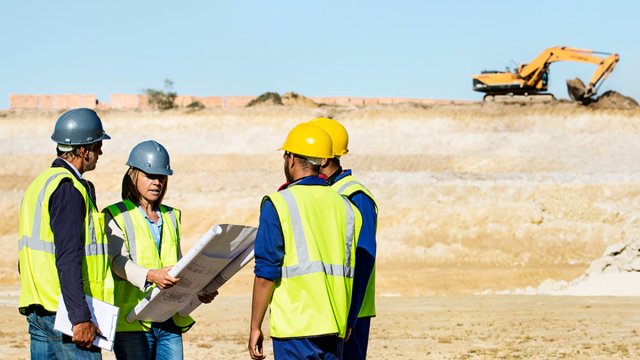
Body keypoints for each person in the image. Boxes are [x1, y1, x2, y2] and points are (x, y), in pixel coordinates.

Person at [248, 123, 363, 360]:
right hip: (335, 325)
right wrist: (349, 320)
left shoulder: (278, 204)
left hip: (295, 328)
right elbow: (355, 269)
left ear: (290, 159)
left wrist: (255, 326)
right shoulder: (347, 207)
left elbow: (266, 273)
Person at [103, 140, 217, 360]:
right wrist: (151, 276)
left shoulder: (171, 215)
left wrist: (198, 289)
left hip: (168, 317)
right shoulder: (115, 214)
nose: (157, 182)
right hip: (133, 320)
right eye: (150, 176)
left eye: (161, 177)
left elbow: (179, 263)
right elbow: (117, 261)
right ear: (133, 175)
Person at [18, 108, 114, 359]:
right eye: (97, 146)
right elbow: (68, 257)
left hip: (39, 310)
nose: (100, 152)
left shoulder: (39, 184)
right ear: (83, 150)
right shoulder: (68, 189)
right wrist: (80, 317)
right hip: (66, 316)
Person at [310, 117, 378, 360]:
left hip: (352, 311)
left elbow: (364, 256)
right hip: (327, 308)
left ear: (324, 158)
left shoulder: (355, 195)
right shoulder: (325, 192)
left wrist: (350, 314)